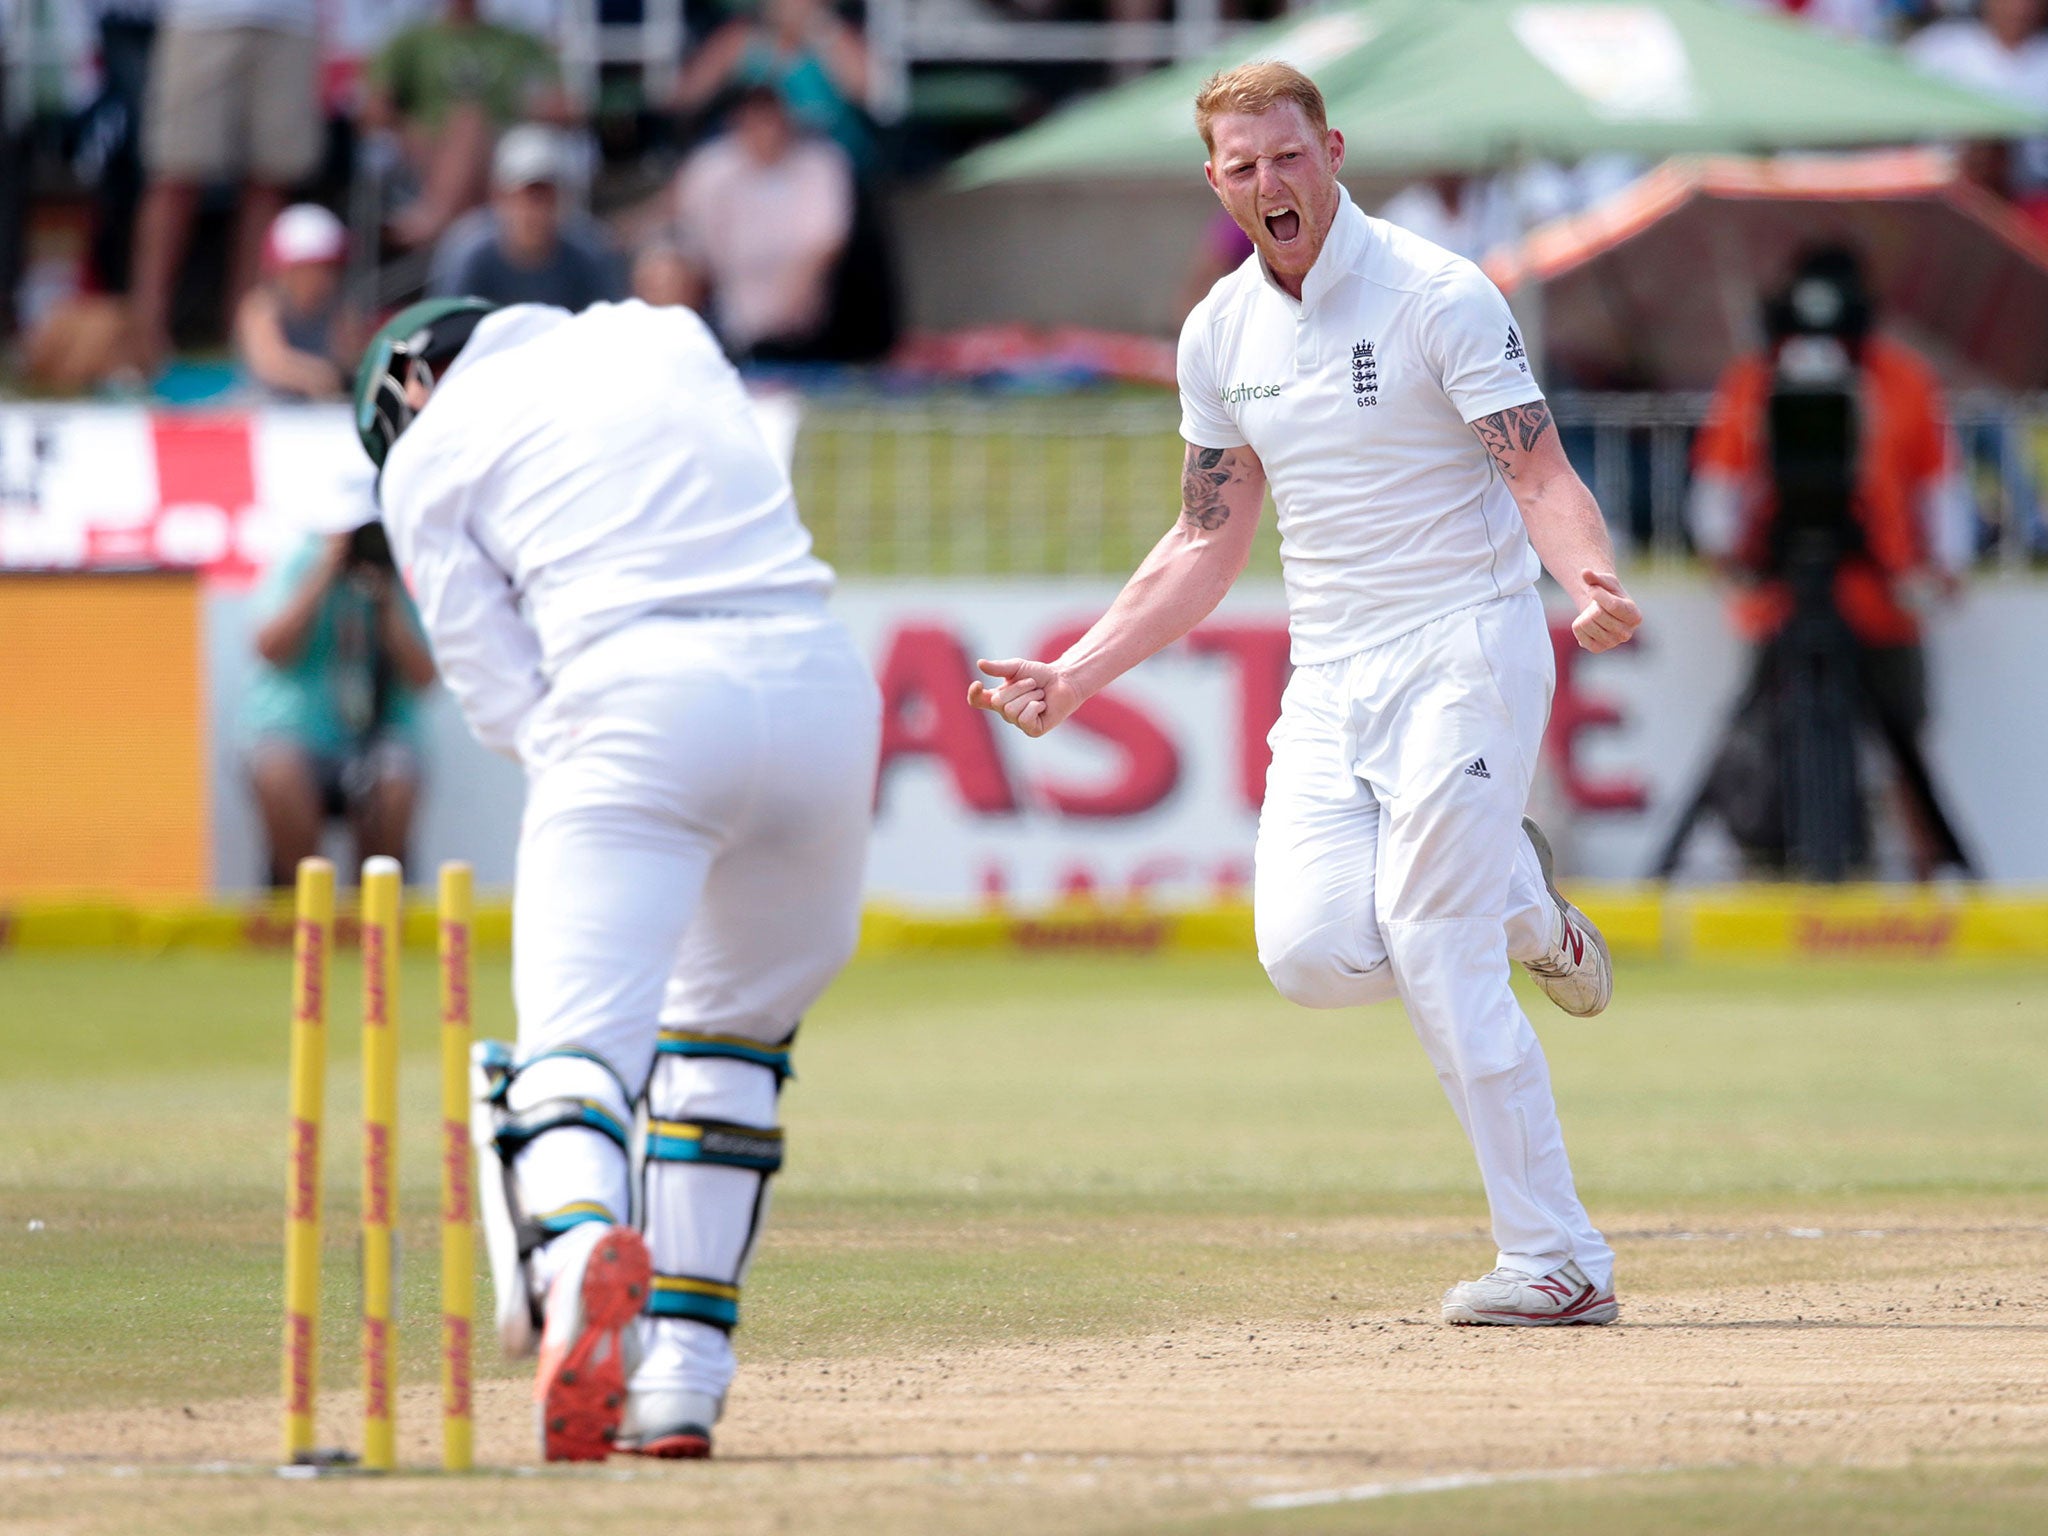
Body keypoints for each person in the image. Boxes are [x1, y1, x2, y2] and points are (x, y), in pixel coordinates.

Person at [969, 62, 1641, 1328]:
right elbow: (1203, 541)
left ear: (1328, 149)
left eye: (1287, 156)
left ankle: (1557, 1259)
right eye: (1241, 165)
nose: (1269, 184)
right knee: (1310, 953)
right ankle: (1524, 903)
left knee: (1432, 946)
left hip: (1465, 645)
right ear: (1212, 181)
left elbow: (1537, 471)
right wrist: (1077, 671)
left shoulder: (1435, 292)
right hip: (1332, 675)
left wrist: (1587, 579)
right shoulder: (1218, 330)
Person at [352, 295, 880, 1460]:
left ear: (406, 386)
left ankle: (584, 1238)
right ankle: (682, 1383)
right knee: (731, 1040)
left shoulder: (428, 452)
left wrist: (606, 770)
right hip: (822, 688)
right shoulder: (662, 331)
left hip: (636, 685)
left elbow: (493, 691)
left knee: (574, 1054)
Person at [1689, 245, 1970, 878]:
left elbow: (1938, 484)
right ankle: (1770, 870)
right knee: (1764, 738)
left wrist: (1943, 569)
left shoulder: (1904, 378)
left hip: (1881, 595)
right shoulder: (1754, 380)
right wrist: (1728, 557)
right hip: (1781, 599)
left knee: (1905, 739)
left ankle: (1931, 881)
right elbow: (1719, 486)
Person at [128, 0, 322, 374]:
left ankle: (250, 339)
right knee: (174, 173)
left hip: (291, 19)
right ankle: (141, 336)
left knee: (271, 180)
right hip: (202, 15)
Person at [245, 520, 437, 889]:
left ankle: (373, 907)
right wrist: (325, 569)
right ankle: (301, 902)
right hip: (297, 732)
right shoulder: (301, 559)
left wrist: (386, 603)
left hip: (378, 734)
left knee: (393, 780)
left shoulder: (395, 572)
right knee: (277, 771)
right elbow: (269, 647)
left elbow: (423, 677)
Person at [364, 0, 570, 249]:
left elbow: (562, 105)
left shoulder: (516, 41)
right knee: (466, 123)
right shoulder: (410, 41)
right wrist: (408, 131)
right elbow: (373, 110)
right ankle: (461, 225)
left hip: (501, 155)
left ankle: (438, 215)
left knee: (471, 121)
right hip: (423, 155)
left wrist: (533, 110)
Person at [673, 84, 853, 360]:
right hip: (724, 306)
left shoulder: (821, 163)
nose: (766, 133)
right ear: (738, 122)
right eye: (756, 122)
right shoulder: (710, 168)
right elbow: (689, 235)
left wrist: (790, 300)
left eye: (772, 121)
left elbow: (826, 240)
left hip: (803, 316)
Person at [429, 125, 626, 311]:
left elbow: (607, 327)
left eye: (546, 197)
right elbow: (448, 328)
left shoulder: (590, 253)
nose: (535, 211)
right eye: (527, 196)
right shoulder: (468, 254)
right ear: (500, 196)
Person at [674, 0, 874, 172]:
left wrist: (821, 28)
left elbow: (871, 92)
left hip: (826, 161)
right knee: (710, 165)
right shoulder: (738, 38)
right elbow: (684, 96)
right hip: (750, 163)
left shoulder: (838, 37)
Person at [234, 203, 360, 400]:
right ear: (286, 271)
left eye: (330, 269)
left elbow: (350, 360)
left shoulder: (339, 309)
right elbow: (270, 363)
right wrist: (317, 376)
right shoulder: (261, 306)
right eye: (313, 269)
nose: (323, 279)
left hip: (318, 411)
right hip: (263, 408)